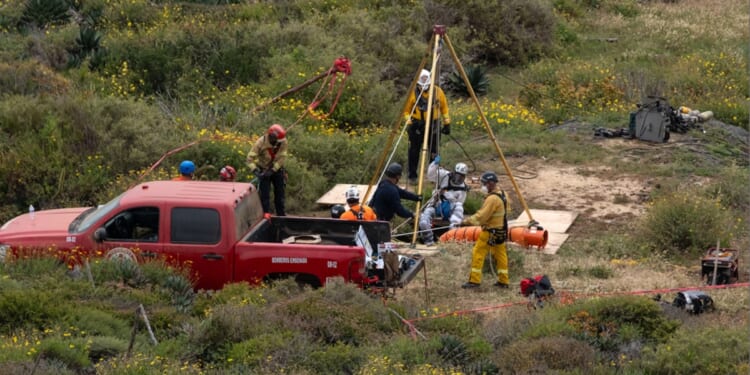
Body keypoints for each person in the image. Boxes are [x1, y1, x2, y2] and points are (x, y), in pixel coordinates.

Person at [458, 171, 511, 289]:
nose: (483, 186)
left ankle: (474, 281)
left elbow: (481, 217)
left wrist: (466, 222)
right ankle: (504, 281)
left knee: (478, 253)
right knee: (501, 255)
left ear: (490, 183)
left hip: (489, 232)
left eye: (484, 183)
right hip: (501, 231)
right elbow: (507, 211)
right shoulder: (503, 194)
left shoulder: (492, 199)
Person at [403, 69, 451, 184]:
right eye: (421, 84)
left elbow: (444, 108)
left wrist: (447, 123)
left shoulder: (437, 92)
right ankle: (412, 176)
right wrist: (409, 123)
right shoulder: (412, 93)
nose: (424, 86)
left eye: (427, 84)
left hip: (433, 125)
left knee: (434, 151)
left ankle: (433, 175)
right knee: (414, 151)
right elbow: (406, 111)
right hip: (416, 126)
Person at [418, 156, 468, 246]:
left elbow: (460, 202)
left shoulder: (463, 189)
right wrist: (435, 164)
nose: (458, 179)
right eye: (457, 176)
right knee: (423, 222)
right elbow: (430, 175)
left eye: (461, 177)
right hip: (436, 205)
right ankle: (429, 241)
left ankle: (451, 240)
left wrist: (446, 194)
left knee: (459, 210)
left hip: (450, 209)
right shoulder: (444, 175)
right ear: (453, 173)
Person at [246, 124, 288, 216]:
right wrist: (256, 171)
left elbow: (282, 158)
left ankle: (281, 216)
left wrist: (273, 170)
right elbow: (249, 159)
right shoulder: (260, 143)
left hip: (277, 170)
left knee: (280, 195)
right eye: (277, 140)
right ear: (271, 137)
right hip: (263, 170)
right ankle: (266, 216)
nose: (279, 143)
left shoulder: (283, 141)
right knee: (265, 196)